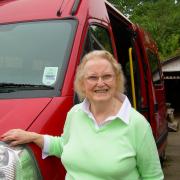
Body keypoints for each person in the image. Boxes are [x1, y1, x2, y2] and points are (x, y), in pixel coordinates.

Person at [1, 50, 164, 180]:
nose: (100, 83)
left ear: (117, 80)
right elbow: (64, 145)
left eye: (107, 76)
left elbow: (153, 176)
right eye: (92, 77)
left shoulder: (137, 123)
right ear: (82, 84)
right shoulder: (75, 113)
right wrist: (33, 137)